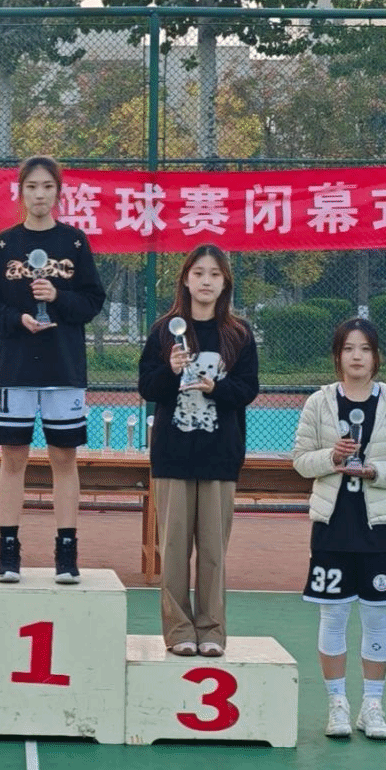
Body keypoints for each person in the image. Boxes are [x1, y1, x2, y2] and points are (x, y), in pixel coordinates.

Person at [0, 155, 106, 583]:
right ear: (20, 192)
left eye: (47, 186)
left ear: (58, 192)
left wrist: (58, 297)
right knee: (13, 458)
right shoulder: (4, 245)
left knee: (63, 458)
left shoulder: (75, 243)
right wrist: (19, 320)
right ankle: (8, 549)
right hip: (14, 370)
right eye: (31, 187)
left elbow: (92, 301)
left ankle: (66, 551)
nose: (40, 194)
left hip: (63, 368)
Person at [291, 319, 386, 740]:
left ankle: (373, 707)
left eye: (365, 348)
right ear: (338, 356)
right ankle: (337, 705)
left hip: (378, 527)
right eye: (348, 348)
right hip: (332, 526)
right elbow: (300, 460)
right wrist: (332, 457)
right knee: (333, 614)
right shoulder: (319, 403)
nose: (357, 356)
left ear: (376, 356)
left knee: (377, 616)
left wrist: (374, 470)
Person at [138, 243, 259, 657]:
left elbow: (247, 390)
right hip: (172, 456)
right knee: (173, 550)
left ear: (225, 283)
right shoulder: (163, 331)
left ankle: (211, 631)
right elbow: (147, 387)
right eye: (199, 273)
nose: (206, 281)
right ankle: (178, 631)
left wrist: (216, 387)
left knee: (212, 551)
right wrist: (171, 371)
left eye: (214, 274)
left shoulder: (239, 334)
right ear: (186, 280)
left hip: (219, 456)